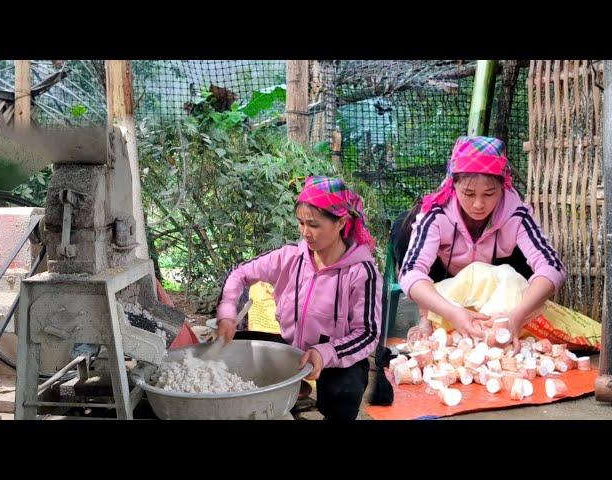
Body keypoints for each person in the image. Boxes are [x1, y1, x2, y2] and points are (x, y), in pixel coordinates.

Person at [216, 176, 382, 420]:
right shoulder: (291, 257)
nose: (306, 233)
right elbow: (240, 273)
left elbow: (367, 333)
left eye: (314, 225)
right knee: (232, 347)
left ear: (341, 223)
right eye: (301, 223)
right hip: (291, 348)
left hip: (333, 355)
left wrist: (325, 353)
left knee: (344, 391)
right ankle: (286, 397)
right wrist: (228, 314)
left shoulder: (361, 272)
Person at [397, 136, 567, 349]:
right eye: (468, 193)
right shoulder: (437, 214)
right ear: (453, 184)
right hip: (447, 281)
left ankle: (505, 317)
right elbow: (410, 272)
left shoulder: (516, 214)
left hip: (494, 280)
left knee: (520, 267)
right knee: (403, 228)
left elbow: (553, 267)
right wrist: (452, 312)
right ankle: (426, 319)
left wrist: (517, 315)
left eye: (489, 193)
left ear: (503, 187)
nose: (478, 204)